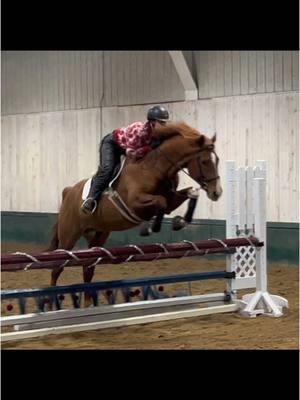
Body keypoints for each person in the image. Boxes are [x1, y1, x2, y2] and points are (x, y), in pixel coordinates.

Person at [81, 105, 170, 214]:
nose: (165, 126)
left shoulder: (157, 135)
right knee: (107, 169)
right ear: (152, 123)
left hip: (128, 147)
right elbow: (132, 153)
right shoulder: (138, 131)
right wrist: (150, 148)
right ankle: (90, 199)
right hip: (113, 144)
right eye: (162, 123)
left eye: (165, 123)